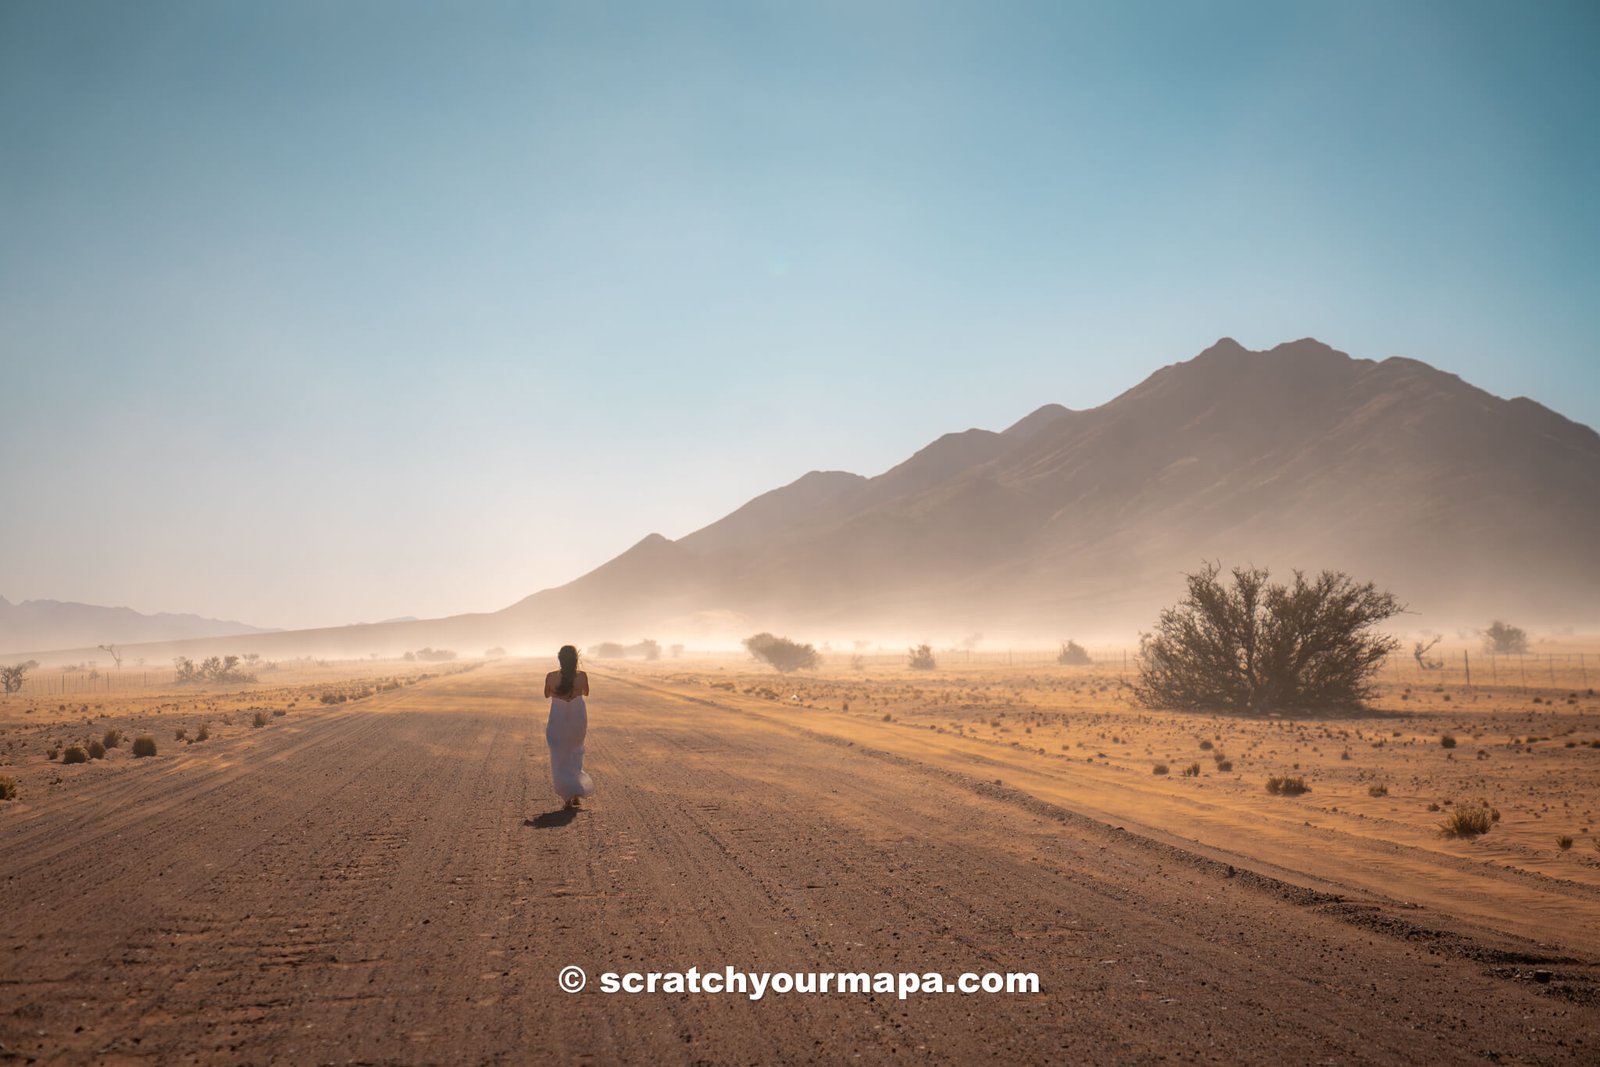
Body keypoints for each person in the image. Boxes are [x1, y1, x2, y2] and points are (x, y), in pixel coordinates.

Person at [544, 645, 594, 809]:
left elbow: (546, 694)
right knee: (575, 752)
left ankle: (567, 795)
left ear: (559, 659)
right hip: (577, 716)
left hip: (557, 717)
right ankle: (576, 791)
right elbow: (586, 692)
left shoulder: (551, 676)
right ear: (576, 659)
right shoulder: (582, 676)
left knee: (559, 754)